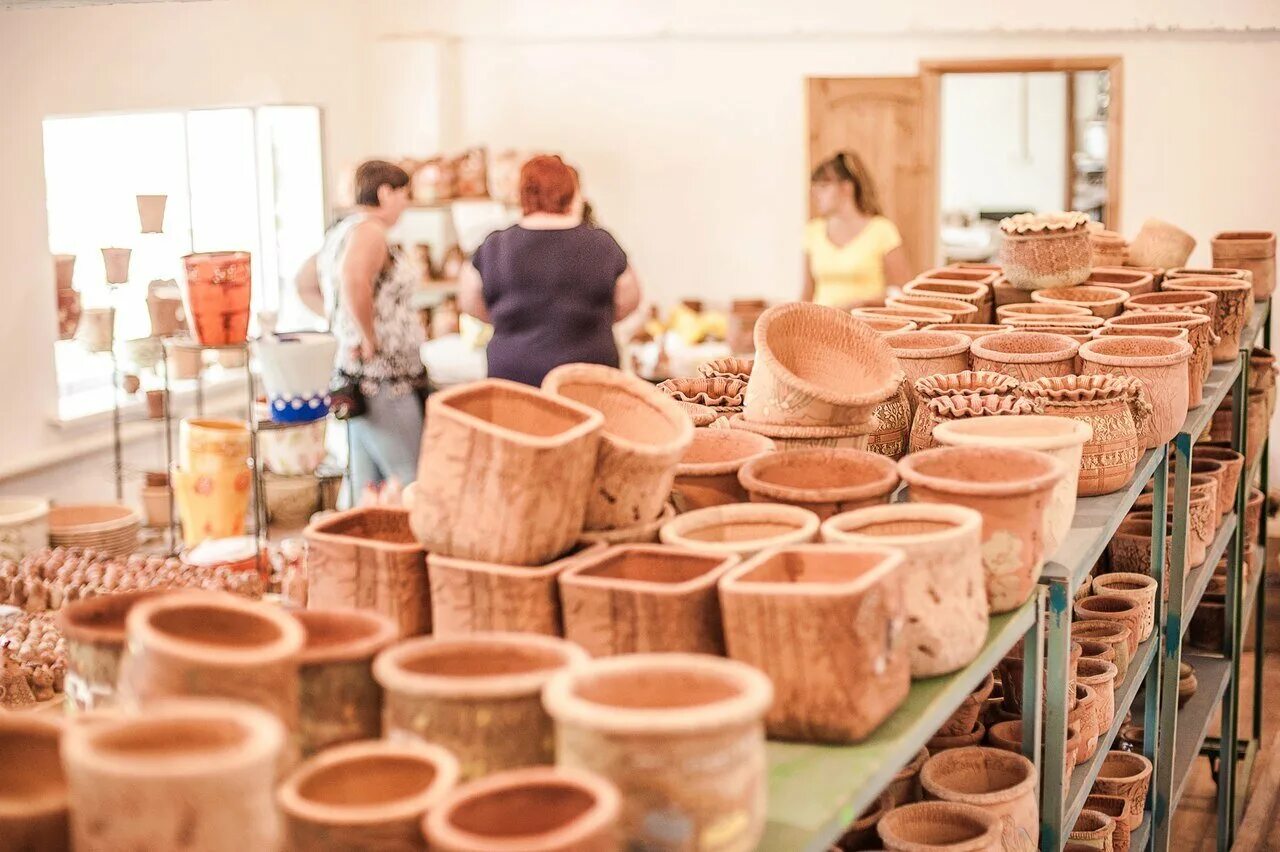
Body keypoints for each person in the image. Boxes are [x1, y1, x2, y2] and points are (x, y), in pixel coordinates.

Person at [295, 160, 426, 501]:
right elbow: (354, 280)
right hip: (382, 376)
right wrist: (367, 337)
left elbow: (304, 283)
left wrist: (341, 324)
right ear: (385, 192)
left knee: (365, 485)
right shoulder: (370, 230)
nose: (406, 204)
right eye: (403, 194)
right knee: (409, 479)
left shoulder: (341, 231)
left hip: (356, 375)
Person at [457, 155, 641, 386]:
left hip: (514, 379)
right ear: (572, 194)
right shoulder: (602, 244)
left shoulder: (494, 246)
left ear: (523, 195)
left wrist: (510, 320)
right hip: (588, 379)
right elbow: (629, 300)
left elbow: (470, 303)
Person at [803, 150, 912, 309]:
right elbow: (806, 294)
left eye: (824, 186)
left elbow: (902, 290)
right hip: (821, 327)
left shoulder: (882, 230)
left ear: (846, 188)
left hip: (864, 325)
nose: (815, 193)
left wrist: (864, 303)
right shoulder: (812, 231)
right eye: (814, 187)